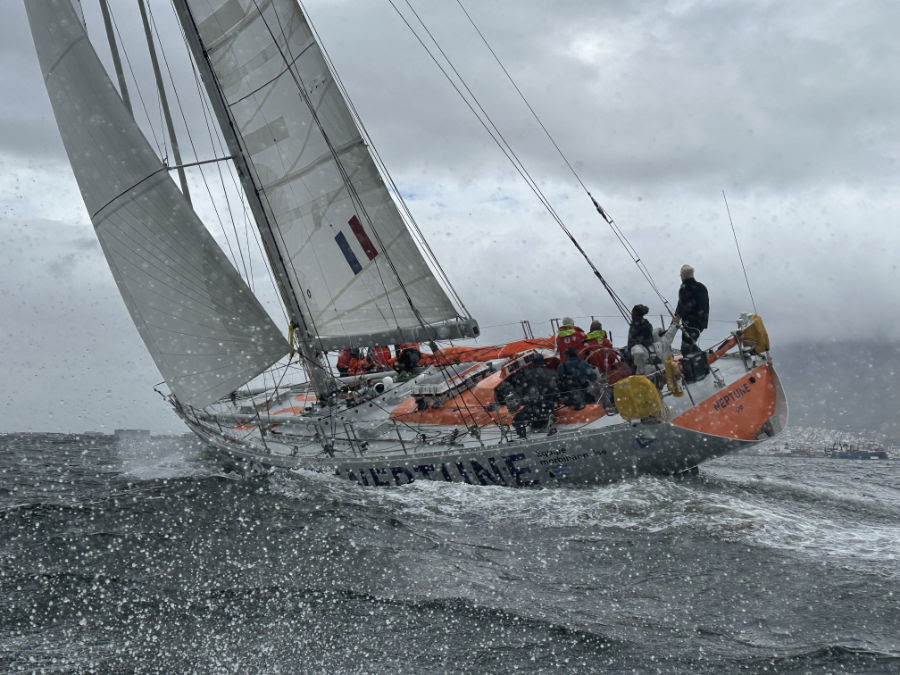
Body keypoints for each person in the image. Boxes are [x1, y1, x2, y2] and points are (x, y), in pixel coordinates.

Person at [510, 354, 559, 438]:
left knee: (516, 420)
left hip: (535, 406)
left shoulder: (529, 375)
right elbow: (557, 389)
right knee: (540, 415)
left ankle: (522, 436)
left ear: (533, 363)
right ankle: (547, 420)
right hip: (550, 405)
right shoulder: (552, 373)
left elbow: (524, 393)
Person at [675, 264, 709, 355]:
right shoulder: (701, 287)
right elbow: (705, 305)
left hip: (689, 323)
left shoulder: (685, 288)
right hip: (701, 323)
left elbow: (681, 306)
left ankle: (696, 360)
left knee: (686, 349)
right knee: (691, 344)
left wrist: (675, 321)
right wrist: (703, 322)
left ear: (683, 276)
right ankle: (699, 357)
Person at [626, 304, 654, 375]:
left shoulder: (637, 325)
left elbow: (644, 340)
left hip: (639, 353)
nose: (631, 314)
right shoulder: (645, 323)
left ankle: (638, 374)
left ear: (636, 313)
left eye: (632, 312)